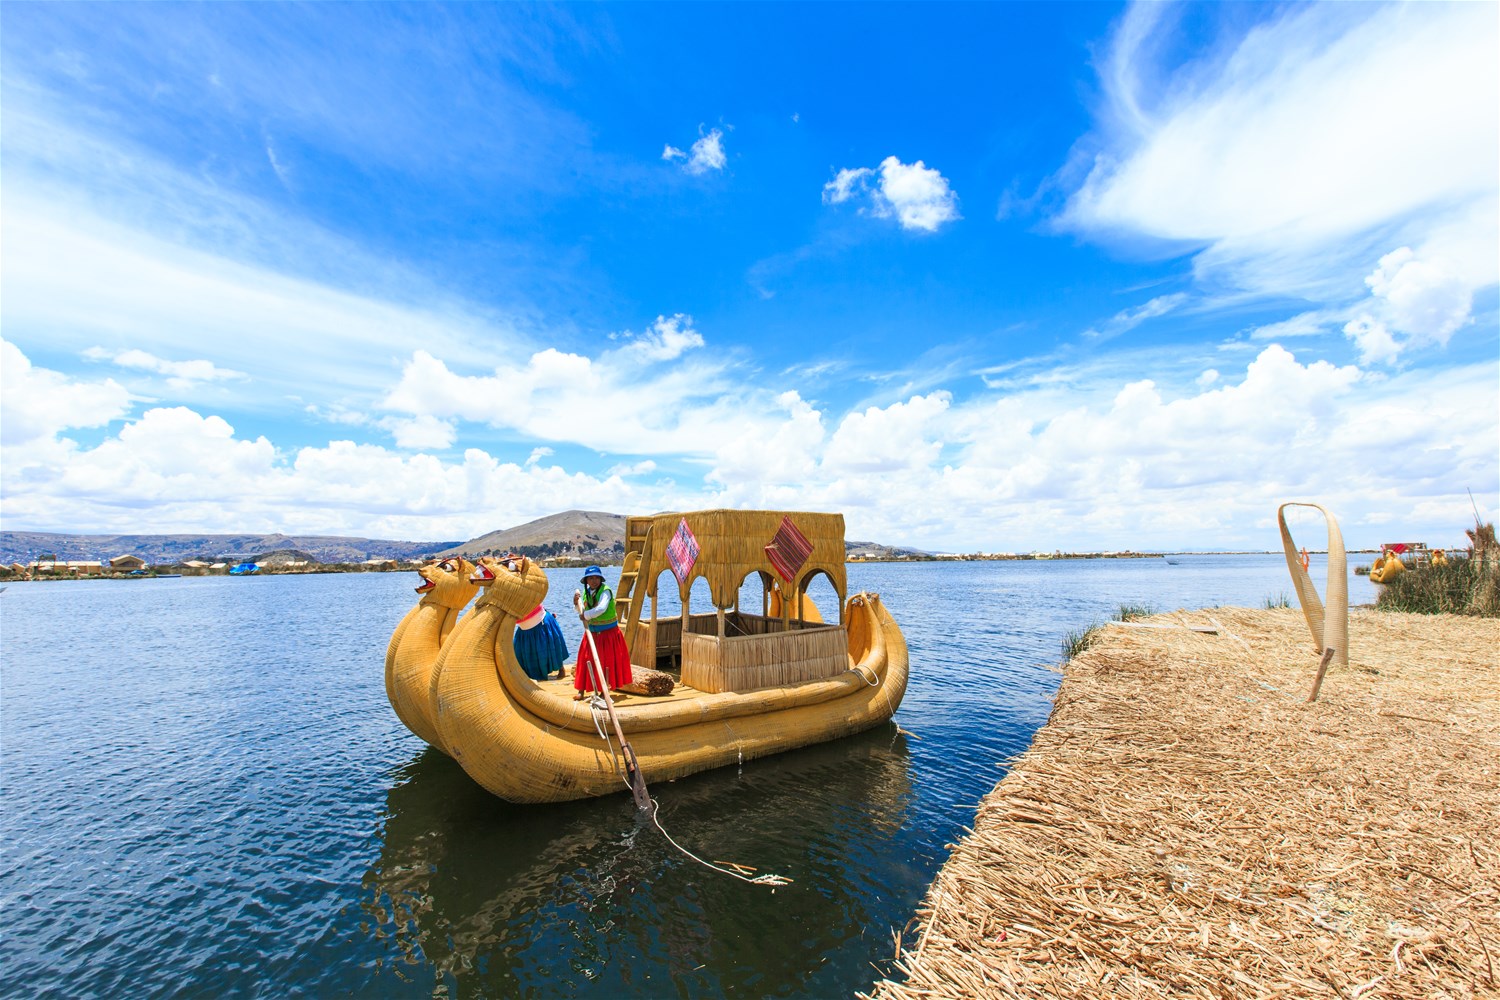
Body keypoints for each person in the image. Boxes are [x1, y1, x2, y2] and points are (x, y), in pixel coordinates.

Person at [572, 565, 632, 700]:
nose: (594, 581)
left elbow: (601, 609)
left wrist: (586, 615)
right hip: (591, 633)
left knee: (606, 662)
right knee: (585, 659)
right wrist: (576, 603)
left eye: (596, 578)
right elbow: (580, 610)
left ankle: (604, 691)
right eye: (591, 578)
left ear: (600, 579)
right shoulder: (586, 592)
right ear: (586, 580)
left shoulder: (606, 591)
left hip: (608, 634)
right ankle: (581, 690)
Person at [506, 554, 568, 682]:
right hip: (525, 627)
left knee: (550, 648)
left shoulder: (526, 583)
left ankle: (561, 669)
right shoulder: (507, 590)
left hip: (541, 622)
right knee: (521, 653)